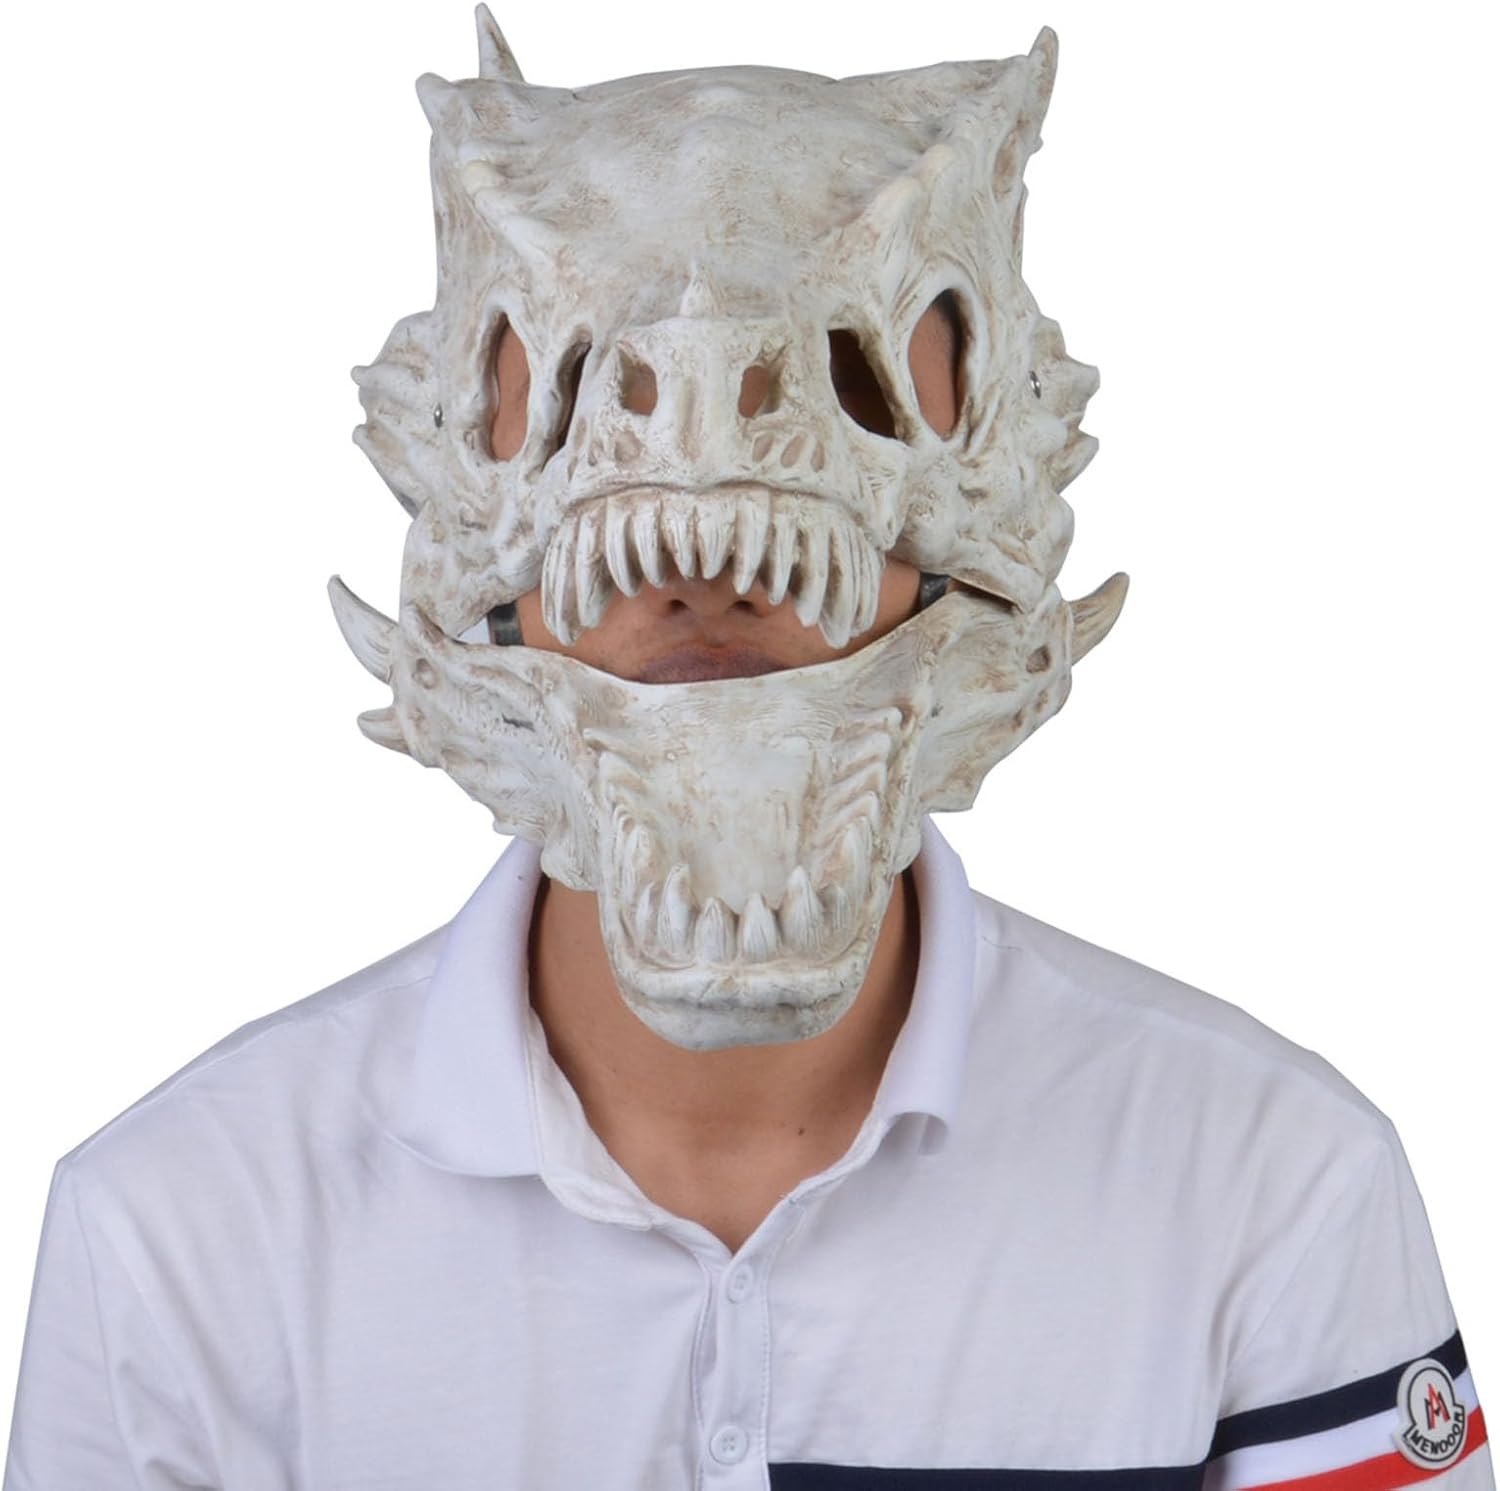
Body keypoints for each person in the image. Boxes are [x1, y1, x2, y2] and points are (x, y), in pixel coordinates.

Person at [4, 10, 1493, 1489]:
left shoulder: (1275, 1184)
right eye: (572, 388)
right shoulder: (174, 1244)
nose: (704, 578)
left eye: (855, 374)